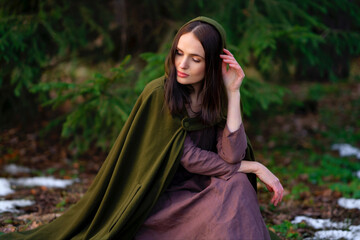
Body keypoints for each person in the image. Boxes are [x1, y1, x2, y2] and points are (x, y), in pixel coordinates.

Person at [0, 17, 283, 240]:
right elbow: (187, 157)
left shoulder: (217, 95)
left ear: (211, 63)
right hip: (160, 196)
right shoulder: (159, 92)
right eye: (179, 53)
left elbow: (231, 157)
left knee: (235, 186)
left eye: (195, 59)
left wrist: (234, 93)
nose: (182, 65)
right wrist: (254, 167)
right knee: (234, 186)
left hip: (202, 188)